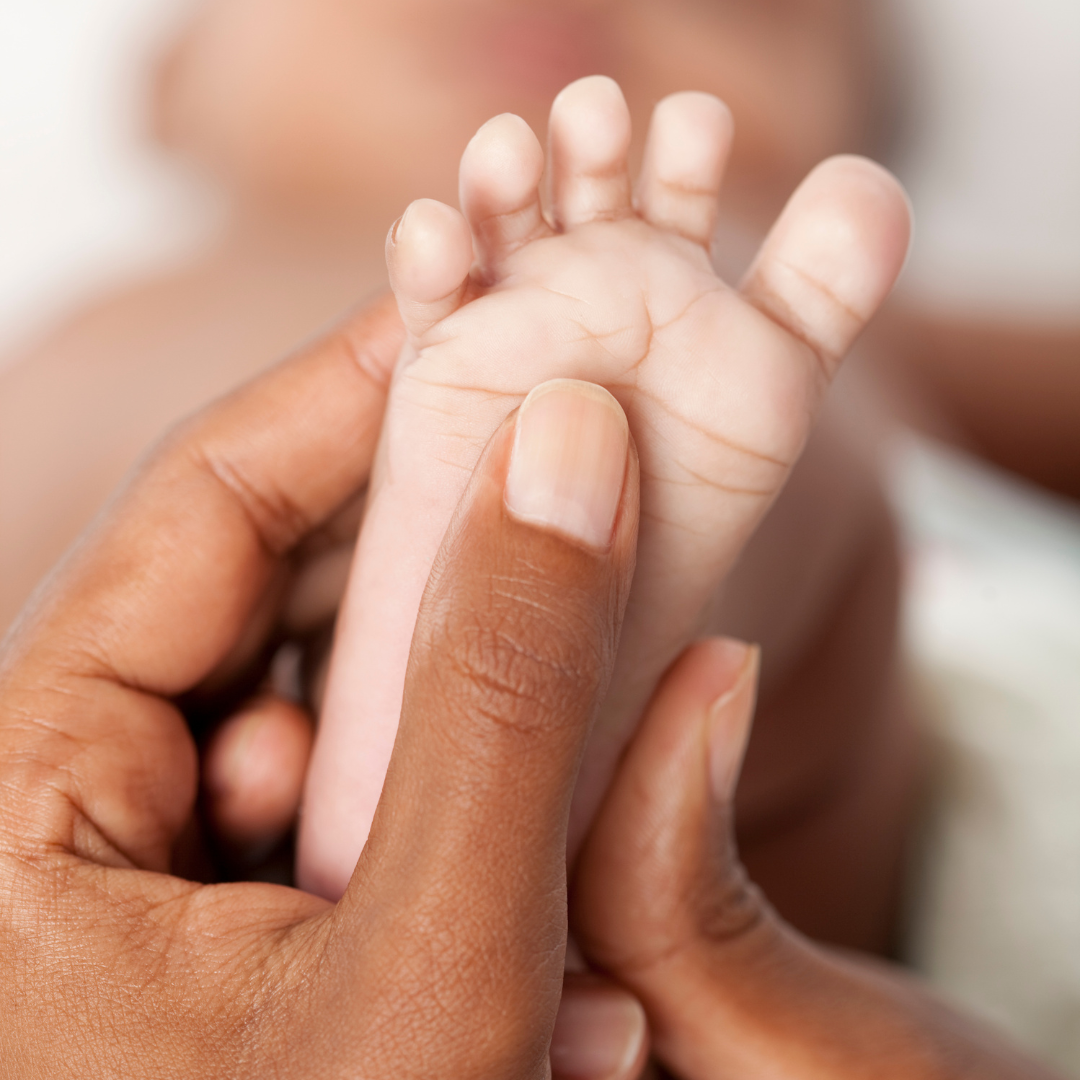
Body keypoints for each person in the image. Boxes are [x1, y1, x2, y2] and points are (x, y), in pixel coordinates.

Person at [0, 0, 916, 955]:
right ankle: (523, 611)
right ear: (169, 83)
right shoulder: (93, 315)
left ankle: (504, 639)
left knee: (776, 419)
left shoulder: (847, 317)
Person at [0, 299, 1062, 1078]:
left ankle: (450, 728)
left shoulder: (885, 343)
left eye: (749, 9)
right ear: (171, 84)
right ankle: (588, 588)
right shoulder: (120, 314)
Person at [298, 74, 911, 900]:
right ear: (170, 85)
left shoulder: (896, 328)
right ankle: (470, 768)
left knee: (811, 447)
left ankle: (403, 797)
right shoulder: (186, 270)